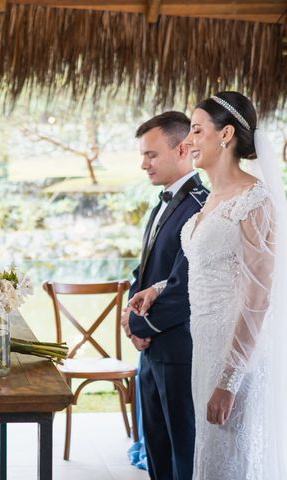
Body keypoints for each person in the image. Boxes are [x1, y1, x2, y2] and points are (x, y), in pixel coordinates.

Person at [131, 91, 287, 479]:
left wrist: (230, 380)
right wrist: (160, 288)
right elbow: (210, 266)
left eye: (197, 130)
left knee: (228, 464)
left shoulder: (255, 201)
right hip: (203, 354)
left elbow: (258, 297)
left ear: (227, 133)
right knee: (205, 461)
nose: (189, 141)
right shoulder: (213, 200)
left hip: (234, 360)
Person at [122, 111, 208, 480]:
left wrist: (141, 324)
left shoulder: (202, 206)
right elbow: (147, 271)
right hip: (152, 351)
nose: (144, 164)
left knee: (181, 452)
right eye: (143, 155)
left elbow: (186, 285)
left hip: (179, 350)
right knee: (156, 449)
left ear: (183, 148)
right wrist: (132, 312)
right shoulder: (164, 203)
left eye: (151, 155)